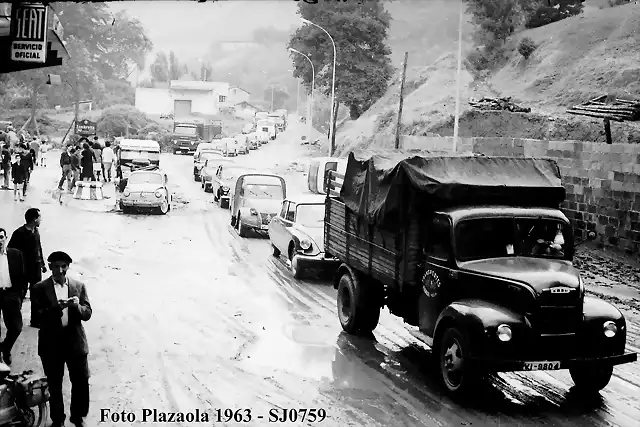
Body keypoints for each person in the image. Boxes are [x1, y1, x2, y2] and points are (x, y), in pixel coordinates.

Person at [32, 251, 91, 427]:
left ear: (68, 267)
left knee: (80, 382)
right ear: (49, 266)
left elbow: (87, 313)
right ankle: (58, 420)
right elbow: (37, 318)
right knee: (54, 384)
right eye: (56, 266)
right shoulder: (39, 288)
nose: (60, 270)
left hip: (74, 342)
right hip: (52, 343)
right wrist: (57, 308)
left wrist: (76, 307)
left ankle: (77, 417)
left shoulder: (78, 286)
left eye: (63, 266)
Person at [7, 208, 46, 327]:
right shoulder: (19, 233)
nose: (41, 219)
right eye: (39, 217)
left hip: (36, 269)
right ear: (34, 219)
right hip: (23, 270)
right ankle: (14, 319)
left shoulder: (36, 231)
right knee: (20, 294)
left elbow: (39, 248)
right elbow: (11, 251)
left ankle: (35, 320)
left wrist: (42, 264)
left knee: (36, 294)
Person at [0, 227, 27, 365]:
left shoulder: (16, 255)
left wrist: (20, 297)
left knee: (16, 327)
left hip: (11, 294)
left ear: (5, 238)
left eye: (1, 237)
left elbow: (23, 278)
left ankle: (5, 348)